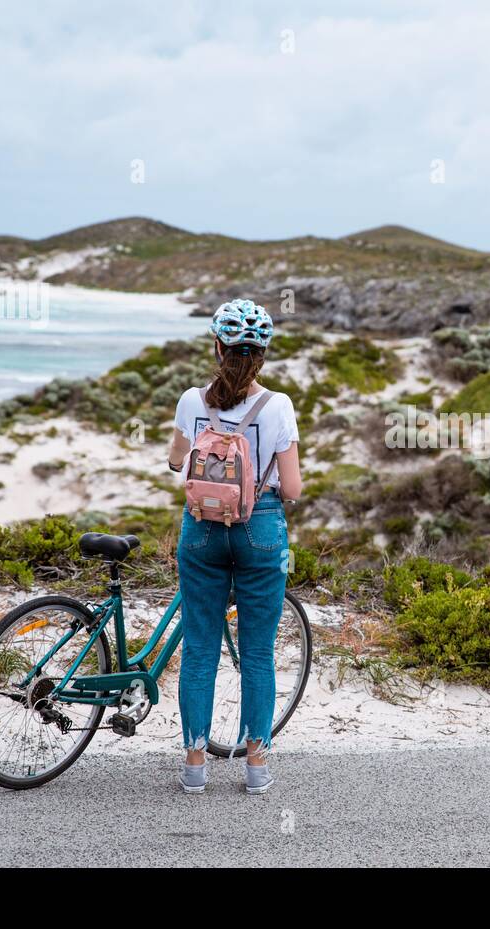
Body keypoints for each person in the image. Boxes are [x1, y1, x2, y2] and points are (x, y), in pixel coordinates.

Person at [166, 298, 302, 795]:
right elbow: (291, 490)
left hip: (200, 529)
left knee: (200, 648)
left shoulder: (190, 401)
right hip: (260, 530)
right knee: (258, 653)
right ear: (261, 354)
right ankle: (256, 767)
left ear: (217, 346)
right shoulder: (278, 406)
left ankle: (195, 767)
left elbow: (176, 463)